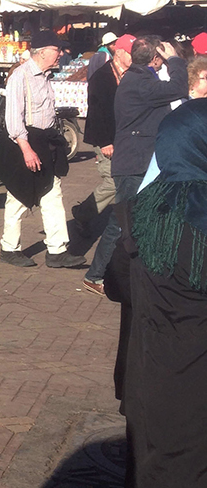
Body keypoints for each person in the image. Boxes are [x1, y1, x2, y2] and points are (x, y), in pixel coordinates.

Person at [115, 98, 207, 488]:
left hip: (148, 373)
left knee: (153, 482)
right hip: (194, 380)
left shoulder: (139, 209)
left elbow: (117, 284)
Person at [83, 34, 188, 294]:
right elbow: (177, 87)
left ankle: (130, 271)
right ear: (155, 59)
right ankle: (95, 275)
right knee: (121, 221)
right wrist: (175, 60)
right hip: (133, 162)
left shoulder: (139, 78)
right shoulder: (140, 83)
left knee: (135, 218)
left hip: (138, 160)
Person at [0, 32, 85, 270]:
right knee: (18, 197)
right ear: (42, 51)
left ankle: (57, 250)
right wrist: (26, 149)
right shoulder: (20, 77)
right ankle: (9, 248)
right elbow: (14, 119)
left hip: (45, 142)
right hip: (23, 143)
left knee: (52, 194)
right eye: (57, 49)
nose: (61, 54)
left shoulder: (45, 77)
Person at [71, 34, 134, 236]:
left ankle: (121, 222)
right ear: (120, 52)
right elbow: (98, 112)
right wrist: (106, 142)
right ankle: (83, 213)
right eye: (132, 54)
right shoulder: (102, 77)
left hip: (124, 137)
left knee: (124, 179)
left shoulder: (132, 74)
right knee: (113, 182)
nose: (135, 57)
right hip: (105, 137)